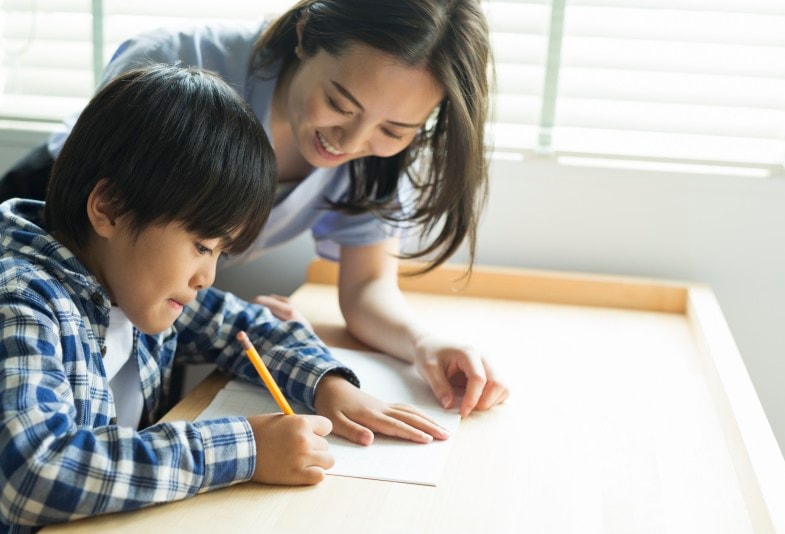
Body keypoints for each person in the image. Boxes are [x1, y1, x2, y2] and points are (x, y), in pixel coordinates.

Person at [0, 0, 509, 416]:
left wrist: (422, 344)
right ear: (306, 36)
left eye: (394, 131)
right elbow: (104, 243)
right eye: (340, 103)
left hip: (147, 282)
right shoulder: (175, 64)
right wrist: (244, 448)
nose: (352, 141)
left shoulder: (374, 162)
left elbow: (367, 286)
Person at [0, 64, 449, 532]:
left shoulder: (124, 277)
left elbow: (247, 327)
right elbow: (34, 473)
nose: (207, 277)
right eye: (201, 246)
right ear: (109, 208)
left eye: (220, 253)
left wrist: (329, 386)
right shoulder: (21, 300)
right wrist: (248, 449)